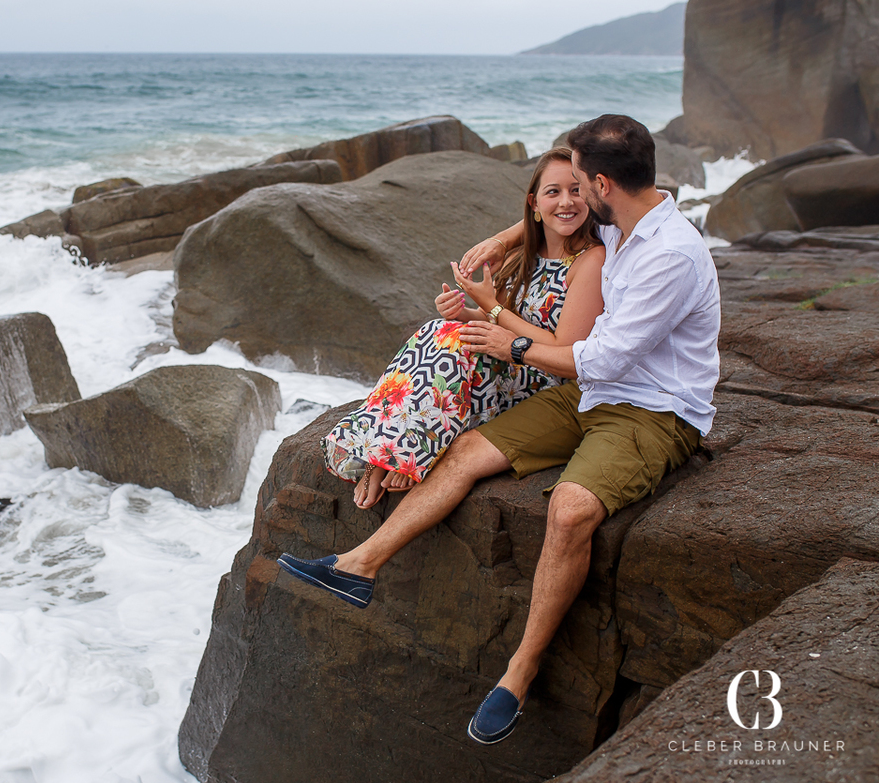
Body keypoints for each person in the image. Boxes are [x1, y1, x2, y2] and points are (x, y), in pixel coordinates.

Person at [277, 114, 720, 746]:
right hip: (590, 392)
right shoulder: (626, 219)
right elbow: (556, 214)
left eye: (580, 182)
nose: (571, 194)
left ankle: (520, 670)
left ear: (600, 184)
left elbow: (598, 357)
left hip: (653, 408)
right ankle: (358, 566)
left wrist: (505, 340)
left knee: (570, 510)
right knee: (464, 453)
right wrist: (507, 236)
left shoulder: (669, 254)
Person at [322, 147, 606, 510]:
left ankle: (404, 451)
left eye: (576, 190)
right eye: (554, 192)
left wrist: (491, 306)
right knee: (437, 330)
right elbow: (499, 323)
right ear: (534, 203)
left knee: (456, 348)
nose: (566, 201)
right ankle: (386, 446)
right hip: (509, 364)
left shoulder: (590, 260)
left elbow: (564, 347)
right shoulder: (525, 257)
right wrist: (466, 314)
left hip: (545, 382)